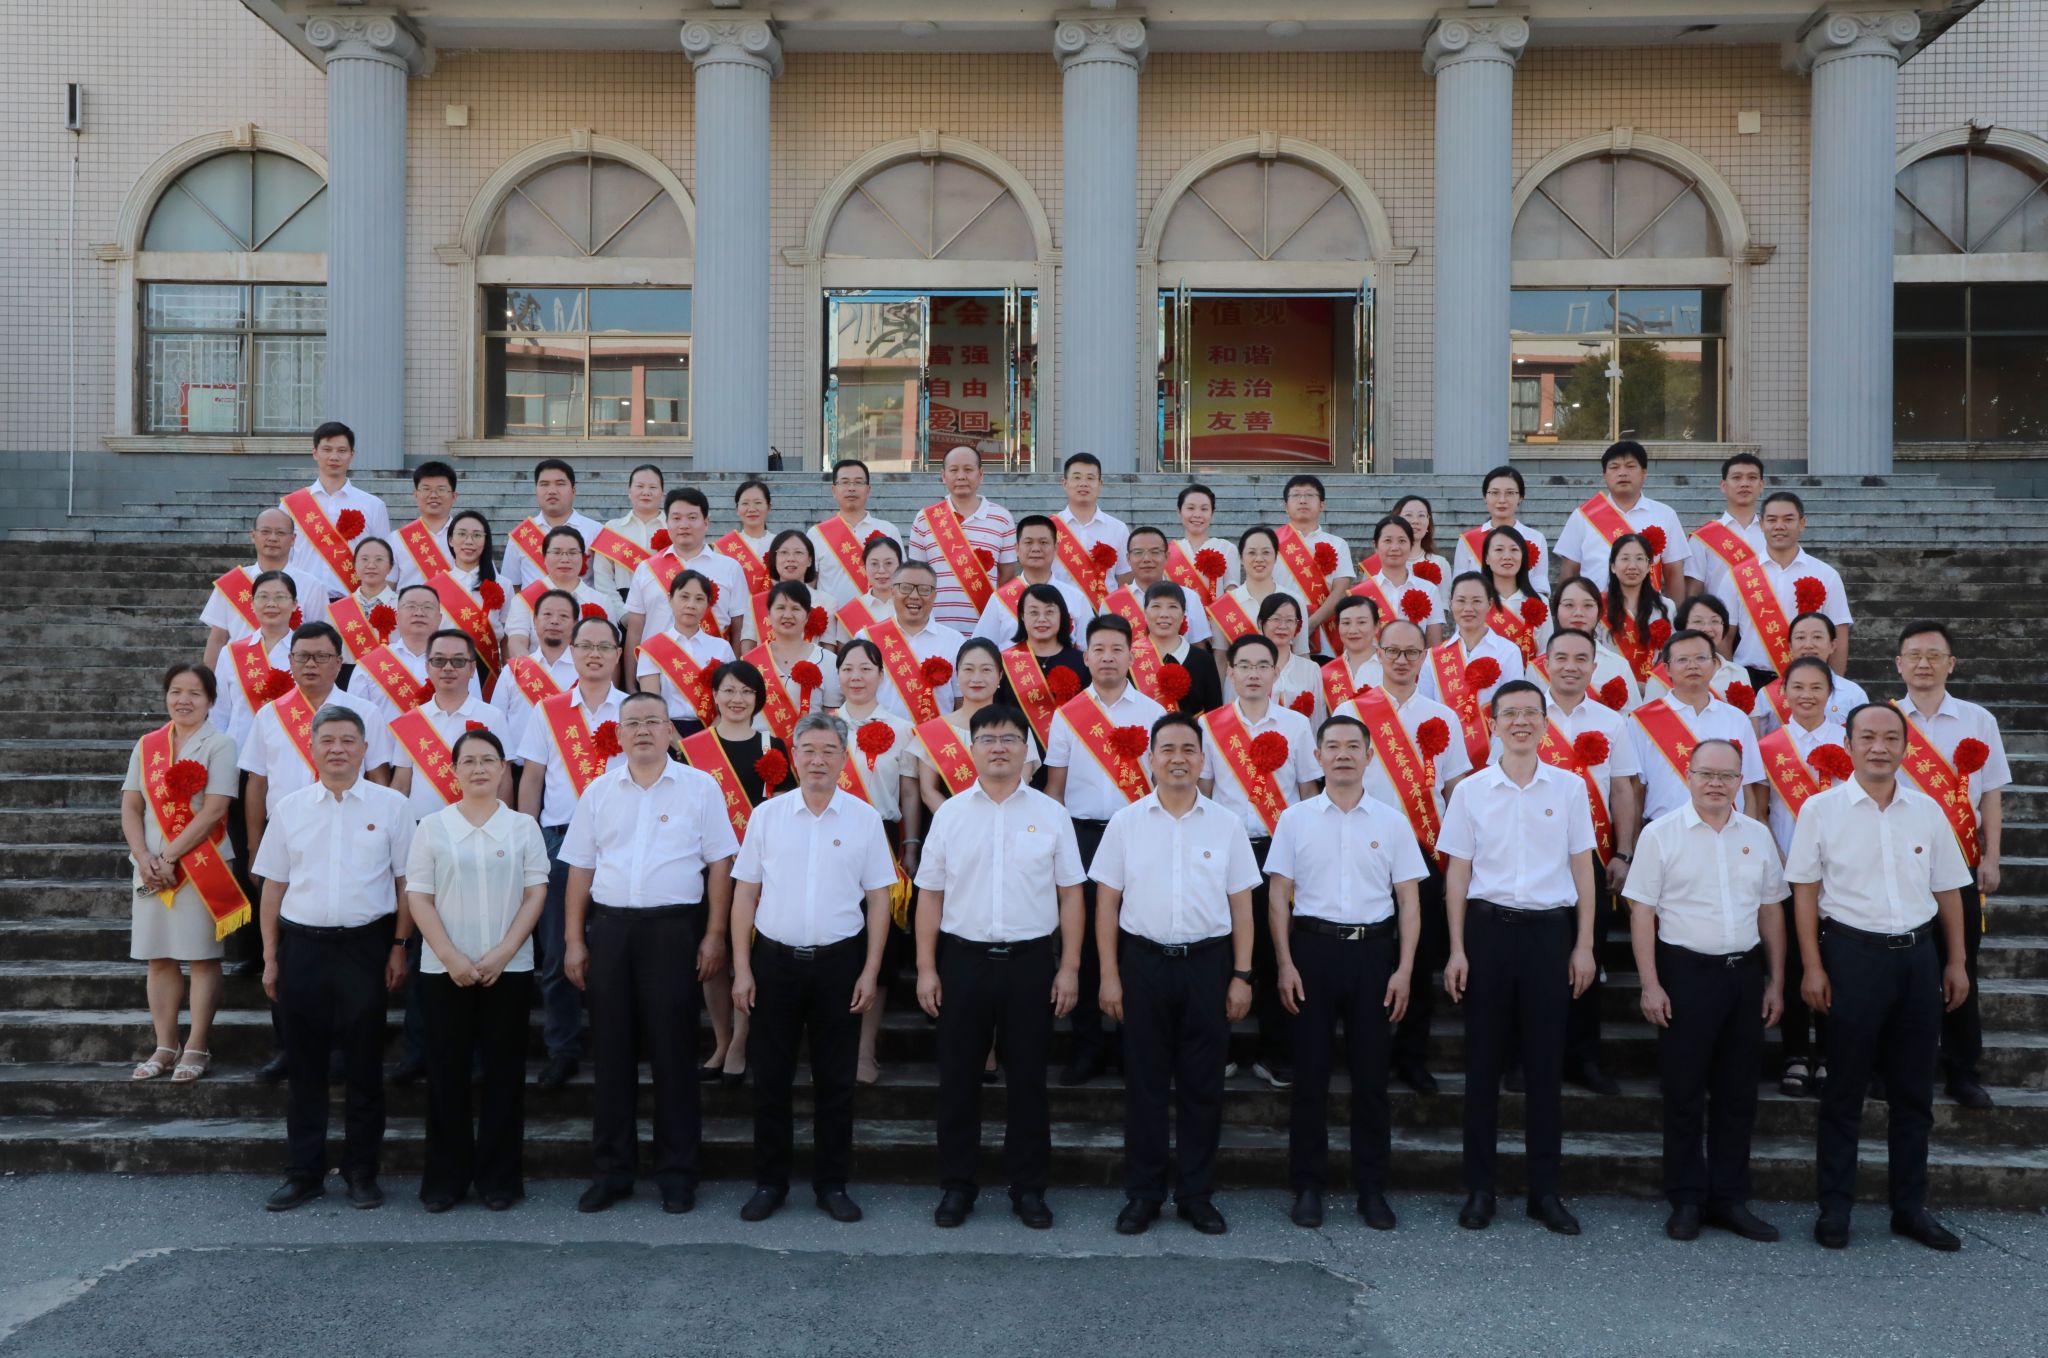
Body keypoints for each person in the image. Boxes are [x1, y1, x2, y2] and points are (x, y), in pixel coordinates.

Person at [1788, 703, 1973, 1252]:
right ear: (1848, 744)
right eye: (1867, 736)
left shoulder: (1927, 811)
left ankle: (1909, 1208)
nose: (1879, 747)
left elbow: (1948, 890)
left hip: (1917, 958)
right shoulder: (1820, 810)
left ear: (1905, 747)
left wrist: (1956, 961)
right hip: (1851, 956)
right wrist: (1812, 966)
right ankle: (1835, 1208)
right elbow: (1804, 893)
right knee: (1844, 1089)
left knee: (1913, 1093)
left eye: (1891, 738)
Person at [560, 692, 740, 1215]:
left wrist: (714, 934)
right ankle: (612, 1173)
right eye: (632, 722)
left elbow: (720, 864)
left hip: (673, 932)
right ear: (618, 734)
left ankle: (677, 1174)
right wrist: (574, 939)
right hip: (611, 931)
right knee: (611, 1055)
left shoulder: (700, 788)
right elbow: (580, 868)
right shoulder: (598, 791)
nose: (642, 730)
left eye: (652, 721)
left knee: (674, 1055)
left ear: (669, 732)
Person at [913, 703, 1086, 1229]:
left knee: (1028, 1082)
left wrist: (1069, 967)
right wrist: (926, 967)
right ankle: (957, 1186)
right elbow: (929, 896)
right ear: (971, 749)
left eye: (1010, 738)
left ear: (1026, 750)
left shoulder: (1051, 814)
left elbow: (1071, 896)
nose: (999, 748)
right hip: (963, 962)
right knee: (958, 1081)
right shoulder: (950, 814)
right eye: (987, 739)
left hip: (1030, 964)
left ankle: (1028, 1189)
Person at [1440, 679, 1598, 1236]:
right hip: (1487, 932)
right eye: (1510, 713)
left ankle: (1544, 1192)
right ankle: (1480, 1189)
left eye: (1532, 713)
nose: (1522, 722)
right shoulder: (1471, 791)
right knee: (1482, 1066)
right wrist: (1456, 949)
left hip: (1549, 935)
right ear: (1494, 723)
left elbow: (1583, 870)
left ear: (1545, 724)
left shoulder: (1570, 788)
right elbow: (1458, 875)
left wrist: (1584, 944)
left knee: (1545, 1067)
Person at [1093, 711, 1260, 1236]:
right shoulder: (1125, 823)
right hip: (1142, 964)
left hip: (1208, 967)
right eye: (1167, 749)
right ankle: (1143, 1195)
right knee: (1144, 1085)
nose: (1178, 759)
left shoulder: (1226, 824)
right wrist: (1109, 975)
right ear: (1150, 759)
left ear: (1203, 759)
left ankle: (1195, 1195)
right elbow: (1106, 904)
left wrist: (1242, 975)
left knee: (1202, 1087)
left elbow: (1242, 907)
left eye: (1188, 749)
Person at [731, 713, 897, 1224]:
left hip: (839, 965)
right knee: (771, 1079)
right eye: (808, 750)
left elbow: (880, 899)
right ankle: (770, 1183)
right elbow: (745, 895)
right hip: (774, 963)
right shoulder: (767, 815)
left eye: (829, 750)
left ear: (844, 758)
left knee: (836, 1081)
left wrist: (871, 970)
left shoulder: (864, 819)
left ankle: (832, 1184)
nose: (818, 760)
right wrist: (742, 968)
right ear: (794, 756)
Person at [1626, 737, 1788, 1244]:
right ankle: (1686, 1199)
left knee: (1738, 1093)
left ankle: (1729, 1198)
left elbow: (1771, 910)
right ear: (1689, 775)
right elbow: (1641, 912)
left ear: (1740, 781)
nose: (1716, 784)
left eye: (1727, 776)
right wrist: (1650, 984)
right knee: (1683, 1092)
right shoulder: (1661, 835)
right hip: (1685, 974)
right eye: (1706, 774)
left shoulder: (1757, 835)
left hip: (1744, 974)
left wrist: (1776, 981)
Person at [1268, 713, 1425, 1230]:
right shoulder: (1295, 819)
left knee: (1372, 1078)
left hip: (1373, 956)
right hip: (1312, 952)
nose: (1342, 754)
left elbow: (1409, 901)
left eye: (1352, 746)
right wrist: (1285, 962)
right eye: (1332, 746)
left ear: (1368, 756)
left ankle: (1372, 1188)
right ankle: (1308, 1185)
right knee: (1309, 1076)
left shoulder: (1392, 822)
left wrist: (1404, 969)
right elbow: (1277, 897)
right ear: (1317, 757)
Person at [254, 705, 414, 1211]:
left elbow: (406, 884)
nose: (338, 749)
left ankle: (362, 1171)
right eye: (328, 740)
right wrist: (270, 955)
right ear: (312, 747)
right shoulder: (291, 808)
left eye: (348, 740)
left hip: (366, 947)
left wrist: (398, 947)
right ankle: (304, 1173)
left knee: (365, 1065)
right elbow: (273, 886)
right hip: (302, 948)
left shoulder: (392, 806)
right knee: (304, 1068)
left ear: (365, 749)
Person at [402, 728, 548, 1212]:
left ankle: (499, 1180)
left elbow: (535, 894)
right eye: (469, 761)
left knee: (504, 1074)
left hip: (509, 968)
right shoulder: (432, 827)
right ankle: (445, 1180)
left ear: (504, 768)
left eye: (489, 760)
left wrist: (504, 952)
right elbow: (419, 897)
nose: (479, 769)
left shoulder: (523, 827)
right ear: (454, 771)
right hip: (443, 970)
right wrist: (450, 957)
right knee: (447, 1074)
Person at [1331, 618, 1473, 1093]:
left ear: (1423, 657)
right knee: (1370, 957)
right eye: (1392, 651)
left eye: (1411, 652)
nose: (1401, 660)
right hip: (1362, 849)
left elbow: (1455, 791)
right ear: (1378, 652)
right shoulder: (1353, 710)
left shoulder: (1442, 716)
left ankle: (1412, 1056)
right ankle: (1366, 1053)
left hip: (1425, 850)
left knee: (1421, 953)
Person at [384, 626, 513, 1085]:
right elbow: (401, 785)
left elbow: (505, 780)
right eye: (439, 660)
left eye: (459, 661)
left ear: (472, 667)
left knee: (480, 940)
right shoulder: (412, 720)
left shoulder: (491, 717)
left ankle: (477, 1051)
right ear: (428, 666)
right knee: (428, 949)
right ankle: (420, 1049)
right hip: (428, 839)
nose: (448, 669)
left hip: (483, 839)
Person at [1044, 615, 1167, 1086]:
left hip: (1140, 835)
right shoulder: (1068, 715)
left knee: (1134, 940)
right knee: (1086, 945)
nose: (1108, 657)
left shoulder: (1153, 712)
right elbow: (1055, 790)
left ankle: (1134, 1045)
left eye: (1117, 649)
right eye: (1099, 649)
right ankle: (1088, 1046)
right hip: (1083, 837)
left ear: (1133, 656)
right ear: (1086, 656)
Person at [1894, 619, 2010, 1110]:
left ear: (1951, 664)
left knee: (1960, 964)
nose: (1923, 664)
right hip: (1896, 862)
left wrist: (1992, 856)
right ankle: (1895, 1066)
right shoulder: (1883, 718)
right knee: (1897, 968)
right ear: (1898, 664)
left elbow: (1992, 794)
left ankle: (1962, 1068)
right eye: (1914, 655)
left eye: (1934, 655)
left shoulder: (1977, 719)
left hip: (1960, 861)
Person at [1199, 634, 1320, 1089]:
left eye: (1262, 665)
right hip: (1224, 852)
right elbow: (1203, 794)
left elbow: (1308, 794)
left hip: (1279, 851)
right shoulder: (1210, 726)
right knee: (1221, 948)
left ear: (1275, 672)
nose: (1253, 674)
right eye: (1244, 665)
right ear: (1230, 672)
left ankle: (1276, 1051)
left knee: (1276, 948)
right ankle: (1218, 1049)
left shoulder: (1297, 725)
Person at [514, 614, 630, 1090]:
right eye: (586, 646)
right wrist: (529, 840)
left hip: (621, 841)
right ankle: (561, 1048)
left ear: (618, 655)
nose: (595, 655)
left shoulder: (634, 710)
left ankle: (617, 1045)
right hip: (559, 840)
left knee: (617, 950)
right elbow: (533, 779)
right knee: (559, 949)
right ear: (573, 652)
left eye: (605, 647)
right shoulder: (549, 710)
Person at [122, 663, 245, 1085]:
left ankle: (196, 1045)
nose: (184, 700)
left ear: (210, 701)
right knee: (158, 957)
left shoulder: (221, 744)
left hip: (201, 864)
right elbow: (131, 806)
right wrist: (143, 857)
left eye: (195, 693)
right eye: (176, 691)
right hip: (151, 868)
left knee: (201, 956)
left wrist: (170, 856)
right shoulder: (148, 745)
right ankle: (164, 1044)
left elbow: (215, 810)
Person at [679, 659, 793, 1084]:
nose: (737, 699)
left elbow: (784, 810)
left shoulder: (772, 746)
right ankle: (722, 1039)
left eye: (746, 691)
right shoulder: (691, 749)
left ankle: (742, 1041)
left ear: (758, 697)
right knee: (713, 955)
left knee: (747, 953)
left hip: (757, 869)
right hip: (707, 866)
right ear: (714, 695)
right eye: (728, 690)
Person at [1538, 628, 1639, 1097]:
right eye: (1561, 657)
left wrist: (1623, 851)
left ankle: (1583, 1058)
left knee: (1587, 958)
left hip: (1591, 858)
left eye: (1581, 658)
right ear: (1546, 662)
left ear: (1594, 668)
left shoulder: (1612, 721)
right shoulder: (1525, 714)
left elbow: (1622, 789)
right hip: (1533, 858)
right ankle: (1529, 1057)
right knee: (1534, 963)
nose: (1571, 666)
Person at [831, 638, 924, 1085]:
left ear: (882, 676)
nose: (856, 676)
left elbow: (908, 794)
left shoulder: (903, 729)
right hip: (830, 835)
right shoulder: (824, 726)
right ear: (838, 675)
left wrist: (911, 846)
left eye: (866, 668)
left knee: (879, 946)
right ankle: (835, 1047)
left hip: (884, 840)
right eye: (848, 668)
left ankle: (865, 1050)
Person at [1755, 655, 1849, 1099]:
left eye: (1816, 687)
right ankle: (1794, 1053)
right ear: (1784, 694)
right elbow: (1760, 811)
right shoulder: (1769, 745)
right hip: (1787, 868)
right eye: (1798, 687)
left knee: (1835, 962)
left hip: (1840, 872)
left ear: (1830, 694)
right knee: (1791, 961)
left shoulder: (1849, 740)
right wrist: (1777, 860)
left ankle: (1830, 1053)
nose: (1807, 695)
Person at [1624, 629, 1766, 825]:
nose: (1692, 665)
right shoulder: (1641, 721)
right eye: (1682, 660)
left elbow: (1748, 788)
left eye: (1701, 658)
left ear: (1714, 664)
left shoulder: (1737, 719)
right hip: (1664, 831)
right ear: (1666, 669)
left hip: (1727, 830)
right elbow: (1636, 788)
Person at [1722, 492, 1853, 689]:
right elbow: (1725, 636)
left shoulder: (1826, 575)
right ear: (1762, 524)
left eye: (1788, 519)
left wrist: (1836, 688)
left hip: (1808, 682)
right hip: (1750, 680)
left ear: (1802, 523)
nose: (1779, 526)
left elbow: (1839, 636)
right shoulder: (1737, 576)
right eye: (1772, 520)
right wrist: (1731, 681)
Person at [1554, 440, 1688, 607]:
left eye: (1630, 466)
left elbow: (1674, 572)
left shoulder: (1665, 515)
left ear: (1644, 473)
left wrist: (1675, 617)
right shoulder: (1583, 516)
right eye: (1614, 467)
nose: (1622, 473)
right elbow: (1569, 570)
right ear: (1605, 475)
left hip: (1647, 613)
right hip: (1595, 613)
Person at [913, 638, 1040, 811]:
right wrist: (959, 822)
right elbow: (928, 792)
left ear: (1000, 675)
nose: (977, 678)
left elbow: (1022, 782)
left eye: (986, 669)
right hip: (952, 823)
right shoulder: (935, 731)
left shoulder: (1016, 727)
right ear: (957, 674)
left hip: (1008, 818)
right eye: (968, 669)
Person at [622, 488, 748, 660]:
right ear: (666, 522)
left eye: (692, 517)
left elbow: (738, 629)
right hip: (655, 667)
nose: (684, 525)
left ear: (706, 522)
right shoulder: (646, 569)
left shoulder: (730, 568)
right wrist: (632, 677)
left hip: (713, 669)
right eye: (676, 518)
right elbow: (635, 631)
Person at [1419, 573, 1524, 770]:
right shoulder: (1433, 656)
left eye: (1476, 601)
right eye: (1461, 601)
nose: (1468, 608)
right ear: (1451, 603)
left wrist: (1496, 761)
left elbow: (1512, 708)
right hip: (1444, 757)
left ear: (1490, 604)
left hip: (1493, 758)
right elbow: (1425, 709)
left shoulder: (1508, 651)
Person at [909, 445, 1019, 631]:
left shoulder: (1002, 518)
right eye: (954, 470)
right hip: (935, 627)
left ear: (981, 474)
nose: (961, 476)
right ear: (943, 475)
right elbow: (916, 575)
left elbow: (1006, 576)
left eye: (968, 469)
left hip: (985, 627)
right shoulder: (925, 519)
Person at [281, 421, 393, 601]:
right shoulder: (291, 505)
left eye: (342, 451)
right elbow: (284, 558)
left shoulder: (373, 505)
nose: (334, 457)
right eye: (327, 450)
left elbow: (384, 560)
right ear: (315, 453)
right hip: (304, 602)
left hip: (355, 604)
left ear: (352, 454)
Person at [200, 508, 327, 668]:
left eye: (280, 533)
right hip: (240, 673)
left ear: (293, 539)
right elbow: (217, 639)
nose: (272, 538)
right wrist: (209, 680)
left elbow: (320, 639)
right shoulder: (231, 583)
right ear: (253, 536)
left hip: (292, 675)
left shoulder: (312, 586)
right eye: (265, 531)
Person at [634, 571, 734, 739]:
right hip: (666, 734)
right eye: (684, 597)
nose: (691, 605)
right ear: (670, 599)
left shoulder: (721, 648)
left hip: (715, 732)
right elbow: (652, 706)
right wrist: (678, 743)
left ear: (708, 604)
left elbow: (731, 701)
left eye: (699, 599)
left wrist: (708, 739)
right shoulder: (652, 648)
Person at [211, 570, 301, 751]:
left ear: (294, 604)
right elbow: (219, 713)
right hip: (238, 751)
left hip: (291, 750)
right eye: (263, 597)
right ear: (252, 604)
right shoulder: (231, 653)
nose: (271, 604)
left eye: (280, 597)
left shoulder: (306, 653)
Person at [867, 561, 966, 724]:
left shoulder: (954, 641)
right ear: (892, 591)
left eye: (924, 589)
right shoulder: (867, 638)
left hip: (936, 736)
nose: (914, 596)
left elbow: (960, 700)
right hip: (883, 736)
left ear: (934, 595)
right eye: (905, 588)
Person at [346, 585, 458, 725]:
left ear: (440, 619)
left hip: (438, 739)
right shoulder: (370, 664)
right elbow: (352, 719)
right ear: (397, 617)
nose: (419, 613)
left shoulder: (458, 663)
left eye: (428, 607)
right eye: (411, 606)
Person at [505, 526, 621, 658]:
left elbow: (610, 647)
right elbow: (517, 641)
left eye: (572, 553)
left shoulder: (601, 601)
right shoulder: (523, 599)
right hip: (539, 669)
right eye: (557, 552)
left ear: (583, 557)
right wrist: (532, 668)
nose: (565, 559)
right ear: (544, 557)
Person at [997, 583, 1088, 751]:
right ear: (1022, 616)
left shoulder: (1082, 662)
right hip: (1017, 753)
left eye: (1049, 612)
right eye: (1033, 612)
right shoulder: (1004, 661)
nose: (1041, 619)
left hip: (1070, 752)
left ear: (1062, 616)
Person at [1270, 474, 1355, 652]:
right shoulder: (1271, 542)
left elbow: (1341, 591)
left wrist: (1310, 624)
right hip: (1279, 633)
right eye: (1296, 495)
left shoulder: (1338, 544)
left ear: (1322, 505)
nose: (1302, 500)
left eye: (1309, 495)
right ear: (1286, 506)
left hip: (1326, 638)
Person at [1536, 576, 1642, 712]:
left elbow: (1634, 717)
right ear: (1556, 610)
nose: (1578, 613)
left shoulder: (1618, 665)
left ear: (1599, 612)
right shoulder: (1537, 667)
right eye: (1569, 605)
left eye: (1588, 605)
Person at [499, 458, 603, 595]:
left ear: (573, 491)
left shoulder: (596, 531)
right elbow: (512, 586)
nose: (552, 491)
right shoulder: (521, 535)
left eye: (560, 484)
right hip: (532, 608)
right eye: (544, 484)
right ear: (536, 490)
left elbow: (604, 584)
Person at [428, 509, 506, 687]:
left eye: (477, 535)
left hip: (488, 669)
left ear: (486, 541)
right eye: (462, 534)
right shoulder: (433, 586)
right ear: (450, 540)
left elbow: (507, 636)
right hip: (446, 668)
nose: (469, 541)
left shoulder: (503, 584)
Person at [494, 589, 576, 756]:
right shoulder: (513, 670)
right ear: (535, 621)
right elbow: (495, 722)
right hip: (518, 765)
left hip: (568, 765)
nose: (554, 621)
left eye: (563, 616)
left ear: (575, 624)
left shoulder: (584, 670)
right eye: (547, 614)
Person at [1755, 613, 1868, 735]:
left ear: (1832, 645)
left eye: (1817, 637)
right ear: (1790, 646)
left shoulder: (1853, 693)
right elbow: (1759, 741)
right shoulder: (1767, 695)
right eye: (1800, 638)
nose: (1808, 645)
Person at [809, 459, 901, 607]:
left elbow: (900, 579)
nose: (851, 488)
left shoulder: (888, 530)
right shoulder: (816, 534)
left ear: (868, 490)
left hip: (878, 618)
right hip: (833, 618)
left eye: (858, 482)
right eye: (845, 482)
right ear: (834, 490)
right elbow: (809, 584)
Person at [1682, 452, 1767, 608]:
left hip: (1765, 618)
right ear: (1723, 485)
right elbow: (1693, 592)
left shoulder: (1772, 534)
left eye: (1752, 478)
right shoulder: (1703, 538)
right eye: (1737, 478)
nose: (1745, 483)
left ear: (1761, 485)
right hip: (1719, 620)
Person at [1453, 465, 1552, 600]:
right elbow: (1459, 586)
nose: (1502, 500)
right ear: (1485, 497)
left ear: (1521, 497)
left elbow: (1539, 584)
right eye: (1494, 493)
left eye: (1510, 493)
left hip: (1521, 611)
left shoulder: (1535, 538)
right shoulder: (1468, 540)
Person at [1049, 451, 1132, 608]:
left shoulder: (1118, 529)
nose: (1083, 483)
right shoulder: (1049, 528)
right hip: (1059, 612)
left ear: (1100, 484)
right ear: (1064, 483)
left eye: (1090, 478)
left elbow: (1124, 578)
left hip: (1103, 613)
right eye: (1077, 477)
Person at [738, 530, 841, 649]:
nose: (791, 558)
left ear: (809, 560)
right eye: (784, 552)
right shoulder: (756, 602)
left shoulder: (827, 602)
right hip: (766, 661)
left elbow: (828, 650)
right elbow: (748, 645)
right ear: (774, 559)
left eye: (798, 552)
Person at [1640, 596, 1749, 704]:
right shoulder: (1664, 674)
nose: (1707, 628)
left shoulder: (1738, 673)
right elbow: (1650, 714)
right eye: (1698, 621)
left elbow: (1750, 716)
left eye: (1715, 621)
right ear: (1683, 626)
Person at [1355, 515, 1443, 649]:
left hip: (1415, 661)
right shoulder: (1361, 593)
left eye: (1402, 541)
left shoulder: (1429, 590)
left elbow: (1433, 646)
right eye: (1388, 541)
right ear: (1375, 546)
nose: (1395, 547)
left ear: (1411, 545)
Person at [1210, 527, 1303, 653]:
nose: (1259, 559)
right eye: (1252, 553)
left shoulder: (1295, 601)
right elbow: (1220, 656)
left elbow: (1301, 653)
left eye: (1266, 552)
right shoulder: (1224, 606)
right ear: (1241, 558)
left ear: (1276, 557)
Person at [1120, 525, 1213, 650]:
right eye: (1138, 553)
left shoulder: (1189, 597)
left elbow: (1199, 648)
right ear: (1128, 558)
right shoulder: (1114, 602)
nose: (1146, 559)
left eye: (1155, 552)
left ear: (1167, 556)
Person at [1601, 532, 1673, 685]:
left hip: (1653, 690)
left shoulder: (1666, 607)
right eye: (1625, 559)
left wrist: (1652, 686)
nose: (1632, 566)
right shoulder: (1598, 606)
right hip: (1609, 688)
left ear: (1648, 566)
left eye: (1639, 559)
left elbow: (1671, 655)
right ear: (1613, 566)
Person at [1143, 581, 1222, 715]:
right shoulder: (1131, 658)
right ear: (1145, 613)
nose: (1164, 614)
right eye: (1156, 606)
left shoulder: (1203, 661)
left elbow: (1214, 714)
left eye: (1173, 607)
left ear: (1183, 615)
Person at [591, 463, 667, 600]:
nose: (646, 492)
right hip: (622, 601)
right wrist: (619, 610)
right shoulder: (613, 528)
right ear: (629, 491)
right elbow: (603, 576)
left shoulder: (674, 529)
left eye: (653, 487)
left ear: (662, 494)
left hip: (667, 602)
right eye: (640, 486)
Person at [1475, 524, 1546, 666]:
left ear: (1523, 557)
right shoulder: (1475, 601)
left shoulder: (1539, 602)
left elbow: (1545, 655)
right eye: (1499, 550)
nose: (1507, 556)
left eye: (1514, 550)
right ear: (1487, 558)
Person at [329, 537, 400, 671]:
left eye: (379, 559)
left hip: (391, 675)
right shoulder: (337, 609)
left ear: (391, 567)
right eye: (364, 559)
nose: (371, 565)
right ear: (354, 565)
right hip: (347, 675)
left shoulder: (403, 606)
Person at [391, 461, 460, 590]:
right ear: (415, 494)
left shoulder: (467, 538)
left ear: (454, 496)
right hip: (409, 603)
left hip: (454, 603)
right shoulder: (396, 539)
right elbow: (388, 585)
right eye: (426, 489)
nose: (433, 495)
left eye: (441, 489)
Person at [1256, 595, 1324, 720]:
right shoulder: (1246, 667)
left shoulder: (1310, 669)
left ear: (1297, 626)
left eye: (1289, 620)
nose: (1283, 626)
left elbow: (1318, 719)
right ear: (1261, 623)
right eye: (1276, 619)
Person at [1172, 482, 1240, 596]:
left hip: (1215, 608)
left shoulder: (1227, 548)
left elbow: (1232, 592)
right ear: (1179, 512)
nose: (1197, 514)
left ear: (1212, 513)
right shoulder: (1169, 552)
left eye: (1204, 509)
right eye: (1190, 508)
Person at [1319, 595, 1384, 713]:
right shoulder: (1325, 673)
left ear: (1376, 626)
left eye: (1361, 622)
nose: (1353, 630)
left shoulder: (1390, 664)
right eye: (1346, 623)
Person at [714, 478, 775, 599]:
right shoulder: (723, 547)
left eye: (758, 502)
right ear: (737, 509)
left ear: (769, 507)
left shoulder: (780, 543)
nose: (751, 509)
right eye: (745, 503)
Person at [1389, 495, 1452, 605]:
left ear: (1428, 523)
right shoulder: (1380, 562)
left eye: (1421, 515)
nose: (1415, 521)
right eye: (1408, 515)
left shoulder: (1440, 563)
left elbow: (1443, 607)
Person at [837, 532, 902, 638]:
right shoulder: (850, 612)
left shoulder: (912, 606)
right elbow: (845, 649)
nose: (881, 570)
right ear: (865, 568)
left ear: (900, 566)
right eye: (874, 564)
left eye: (888, 563)